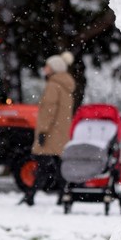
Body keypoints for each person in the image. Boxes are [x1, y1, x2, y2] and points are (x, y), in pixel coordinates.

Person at [21, 54, 75, 206]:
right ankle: (63, 195)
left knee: (42, 165)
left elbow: (48, 111)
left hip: (50, 132)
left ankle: (30, 196)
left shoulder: (53, 86)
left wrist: (43, 131)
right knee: (58, 166)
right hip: (61, 132)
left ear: (55, 69)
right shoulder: (66, 86)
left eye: (48, 66)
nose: (45, 69)